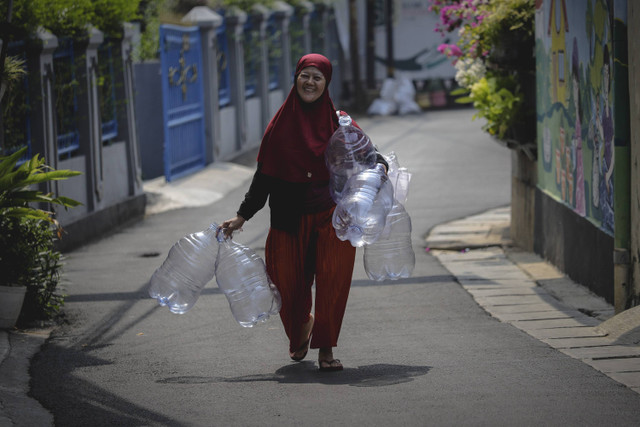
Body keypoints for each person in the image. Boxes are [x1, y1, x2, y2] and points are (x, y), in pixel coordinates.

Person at [221, 53, 387, 372]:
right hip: (288, 218)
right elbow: (264, 176)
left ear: (326, 84)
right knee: (285, 283)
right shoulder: (280, 125)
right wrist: (242, 215)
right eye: (305, 76)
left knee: (332, 282)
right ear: (296, 79)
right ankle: (301, 326)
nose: (310, 82)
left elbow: (368, 152)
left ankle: (326, 348)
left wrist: (380, 167)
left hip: (333, 217)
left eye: (317, 77)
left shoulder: (340, 122)